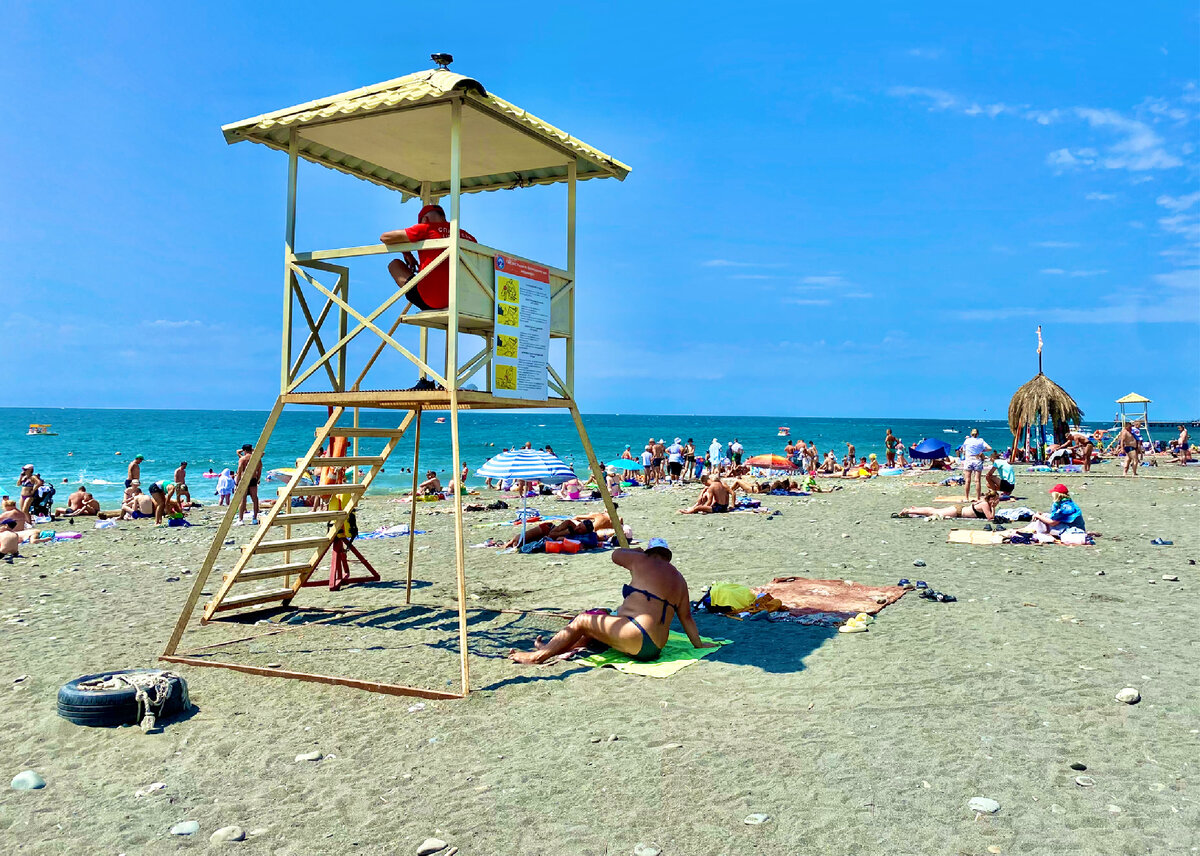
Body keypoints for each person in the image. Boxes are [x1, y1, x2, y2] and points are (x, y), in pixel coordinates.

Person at [508, 538, 717, 664]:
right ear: (667, 556)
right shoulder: (679, 579)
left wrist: (634, 552)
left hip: (637, 635)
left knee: (582, 620)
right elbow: (687, 618)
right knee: (600, 615)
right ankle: (554, 648)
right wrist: (698, 644)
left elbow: (616, 555)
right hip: (655, 647)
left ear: (649, 552)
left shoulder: (642, 559)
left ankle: (537, 657)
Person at [380, 204, 478, 313]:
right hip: (464, 300)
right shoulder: (468, 237)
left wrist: (407, 254)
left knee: (395, 264)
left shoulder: (425, 228)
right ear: (444, 218)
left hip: (433, 301)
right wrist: (408, 253)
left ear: (425, 219)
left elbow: (385, 237)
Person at [895, 491, 1000, 520]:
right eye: (996, 500)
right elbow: (990, 518)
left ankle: (916, 509)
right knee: (933, 512)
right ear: (991, 499)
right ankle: (908, 511)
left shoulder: (983, 501)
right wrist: (993, 508)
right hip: (957, 512)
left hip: (958, 510)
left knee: (934, 510)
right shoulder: (985, 504)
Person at [960, 429, 991, 501]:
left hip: (969, 459)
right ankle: (978, 498)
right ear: (978, 434)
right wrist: (981, 451)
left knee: (967, 480)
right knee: (977, 480)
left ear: (971, 434)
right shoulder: (981, 440)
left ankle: (966, 497)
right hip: (977, 459)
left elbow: (963, 450)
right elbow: (989, 448)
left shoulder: (967, 441)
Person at [236, 443, 262, 523]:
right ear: (251, 449)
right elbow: (259, 470)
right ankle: (254, 518)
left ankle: (241, 519)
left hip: (244, 480)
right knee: (255, 499)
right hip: (253, 479)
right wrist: (258, 479)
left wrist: (237, 482)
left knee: (243, 500)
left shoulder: (242, 459)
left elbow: (239, 471)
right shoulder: (257, 459)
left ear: (244, 451)